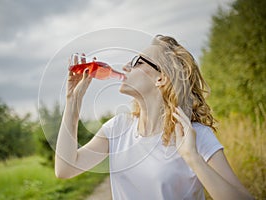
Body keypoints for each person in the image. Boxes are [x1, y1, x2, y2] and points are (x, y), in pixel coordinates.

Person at [55, 35, 253, 199]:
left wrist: (193, 158)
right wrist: (73, 100)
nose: (125, 67)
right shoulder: (117, 128)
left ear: (162, 78)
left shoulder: (195, 135)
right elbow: (65, 169)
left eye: (137, 62)